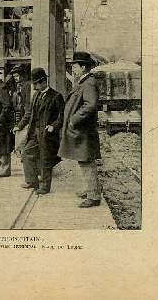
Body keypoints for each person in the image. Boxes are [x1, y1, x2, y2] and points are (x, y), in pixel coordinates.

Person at [58, 51, 102, 208]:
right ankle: (90, 189)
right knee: (83, 160)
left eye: (75, 66)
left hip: (83, 130)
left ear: (83, 67)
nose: (73, 69)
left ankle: (94, 196)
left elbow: (90, 105)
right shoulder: (84, 81)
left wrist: (73, 119)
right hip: (81, 130)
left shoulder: (88, 83)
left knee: (86, 161)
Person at [14, 67, 64, 195]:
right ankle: (31, 181)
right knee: (26, 153)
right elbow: (29, 113)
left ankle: (45, 187)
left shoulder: (56, 96)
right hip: (34, 132)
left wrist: (53, 126)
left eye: (36, 84)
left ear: (43, 82)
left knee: (45, 159)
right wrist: (19, 125)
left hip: (47, 134)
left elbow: (62, 116)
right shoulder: (36, 95)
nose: (34, 86)